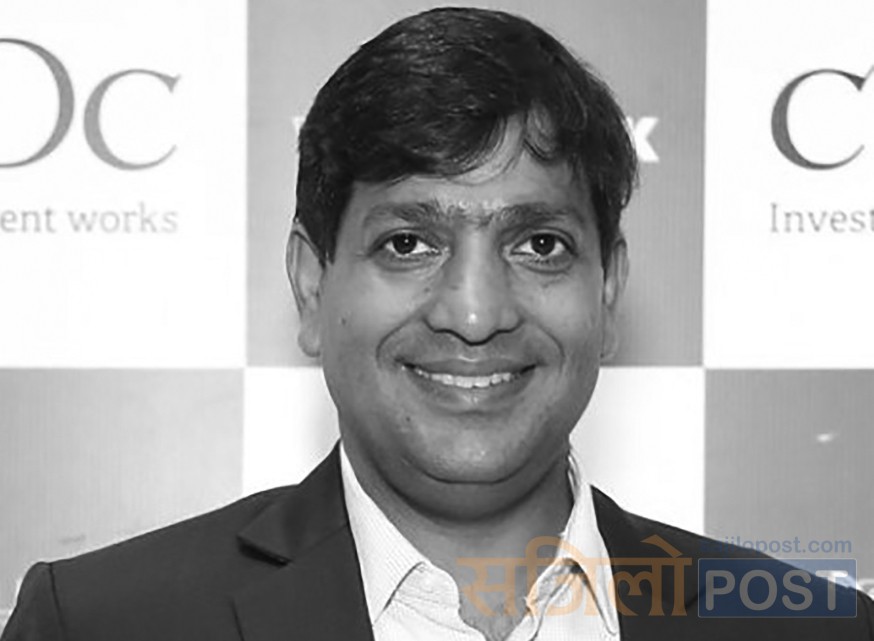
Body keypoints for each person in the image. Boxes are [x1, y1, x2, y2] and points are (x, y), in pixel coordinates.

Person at [2, 6, 872, 641]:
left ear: (607, 292)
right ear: (311, 285)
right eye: (409, 243)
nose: (475, 312)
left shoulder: (815, 628)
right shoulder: (102, 622)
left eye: (539, 244)